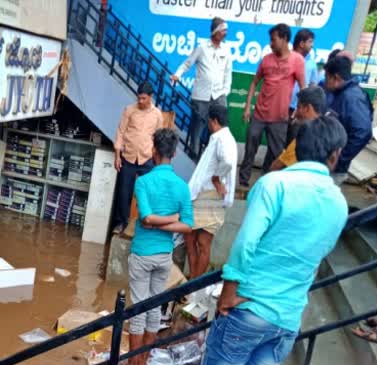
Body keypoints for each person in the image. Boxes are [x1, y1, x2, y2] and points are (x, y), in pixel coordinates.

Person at [198, 115, 349, 365]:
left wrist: (227, 293)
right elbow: (316, 255)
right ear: (334, 155)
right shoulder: (339, 203)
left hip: (249, 307)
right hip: (288, 317)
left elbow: (244, 243)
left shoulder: (275, 185)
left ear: (298, 147)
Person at [119, 129, 194, 365]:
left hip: (142, 253)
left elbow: (147, 218)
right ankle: (142, 363)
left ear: (153, 152)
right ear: (173, 154)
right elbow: (187, 225)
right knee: (154, 311)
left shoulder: (143, 182)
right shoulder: (182, 187)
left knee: (138, 310)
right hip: (164, 256)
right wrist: (172, 219)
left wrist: (155, 223)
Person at [239, 24, 306, 188]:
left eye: (273, 39)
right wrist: (248, 108)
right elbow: (254, 83)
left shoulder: (297, 60)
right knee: (250, 149)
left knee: (276, 153)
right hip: (259, 115)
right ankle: (243, 181)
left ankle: (267, 181)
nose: (271, 43)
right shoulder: (266, 60)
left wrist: (299, 109)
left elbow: (303, 88)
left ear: (284, 39)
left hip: (280, 118)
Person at [184, 104, 237, 279]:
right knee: (191, 238)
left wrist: (216, 178)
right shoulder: (223, 137)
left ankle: (192, 286)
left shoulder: (222, 139)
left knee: (202, 242)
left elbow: (227, 162)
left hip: (209, 197)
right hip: (204, 196)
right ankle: (191, 282)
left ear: (213, 120)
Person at [171, 17, 233, 157]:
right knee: (197, 129)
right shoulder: (202, 47)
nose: (225, 33)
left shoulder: (227, 50)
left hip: (219, 96)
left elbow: (228, 73)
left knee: (219, 130)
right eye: (223, 30)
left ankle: (213, 159)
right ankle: (193, 158)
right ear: (216, 31)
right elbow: (187, 64)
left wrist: (225, 91)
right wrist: (177, 75)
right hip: (201, 96)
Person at [112, 82, 164, 235]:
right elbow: (120, 132)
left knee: (148, 192)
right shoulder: (129, 110)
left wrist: (157, 160)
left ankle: (147, 222)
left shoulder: (157, 115)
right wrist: (117, 156)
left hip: (147, 158)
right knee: (124, 192)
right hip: (128, 157)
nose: (141, 102)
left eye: (144, 99)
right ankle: (121, 223)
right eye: (139, 98)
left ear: (150, 97)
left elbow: (158, 138)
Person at [323, 55, 373, 185]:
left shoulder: (351, 97)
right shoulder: (340, 93)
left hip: (333, 168)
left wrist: (339, 159)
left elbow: (363, 132)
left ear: (336, 78)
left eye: (326, 77)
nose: (325, 81)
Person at [271, 86, 326, 171]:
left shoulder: (305, 136)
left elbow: (276, 166)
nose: (295, 114)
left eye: (298, 107)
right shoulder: (329, 132)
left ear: (308, 108)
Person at [287, 29, 319, 143]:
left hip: (298, 111)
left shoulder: (312, 63)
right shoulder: (286, 58)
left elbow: (313, 86)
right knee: (275, 143)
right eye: (310, 42)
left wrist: (302, 109)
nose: (312, 45)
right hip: (282, 107)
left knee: (292, 144)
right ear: (301, 43)